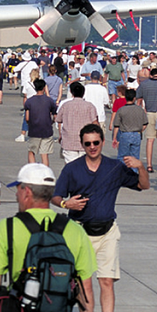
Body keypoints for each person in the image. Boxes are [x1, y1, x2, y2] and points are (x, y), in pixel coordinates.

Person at [52, 123, 149, 312]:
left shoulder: (115, 167)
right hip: (80, 233)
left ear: (103, 142)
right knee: (83, 283)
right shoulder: (72, 169)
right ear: (82, 144)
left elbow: (143, 185)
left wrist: (140, 167)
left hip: (107, 233)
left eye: (96, 142)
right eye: (88, 143)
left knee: (107, 281)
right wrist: (65, 204)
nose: (92, 147)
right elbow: (55, 196)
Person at [0, 163, 96, 311]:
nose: (16, 195)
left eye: (18, 189)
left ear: (27, 192)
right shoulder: (75, 230)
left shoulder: (7, 228)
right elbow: (86, 290)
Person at [56, 81, 99, 163]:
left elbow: (58, 120)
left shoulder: (66, 105)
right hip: (86, 140)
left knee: (71, 165)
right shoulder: (90, 106)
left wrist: (60, 135)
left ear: (72, 93)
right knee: (85, 164)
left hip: (69, 140)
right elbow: (95, 122)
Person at [24, 78, 57, 166]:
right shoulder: (49, 100)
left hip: (34, 130)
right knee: (44, 153)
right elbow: (55, 115)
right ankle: (45, 171)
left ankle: (32, 169)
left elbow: (27, 118)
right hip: (47, 129)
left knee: (31, 151)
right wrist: (51, 122)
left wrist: (30, 124)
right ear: (44, 88)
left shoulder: (29, 101)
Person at [112, 88, 148, 163]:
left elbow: (116, 126)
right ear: (134, 98)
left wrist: (115, 137)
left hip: (125, 134)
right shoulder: (140, 110)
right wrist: (140, 130)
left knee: (122, 156)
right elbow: (145, 124)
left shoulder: (121, 110)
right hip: (136, 134)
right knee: (134, 157)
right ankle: (133, 170)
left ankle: (123, 170)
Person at [134, 67, 157, 173]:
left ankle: (149, 165)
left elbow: (137, 96)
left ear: (150, 75)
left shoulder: (145, 84)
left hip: (150, 112)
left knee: (150, 140)